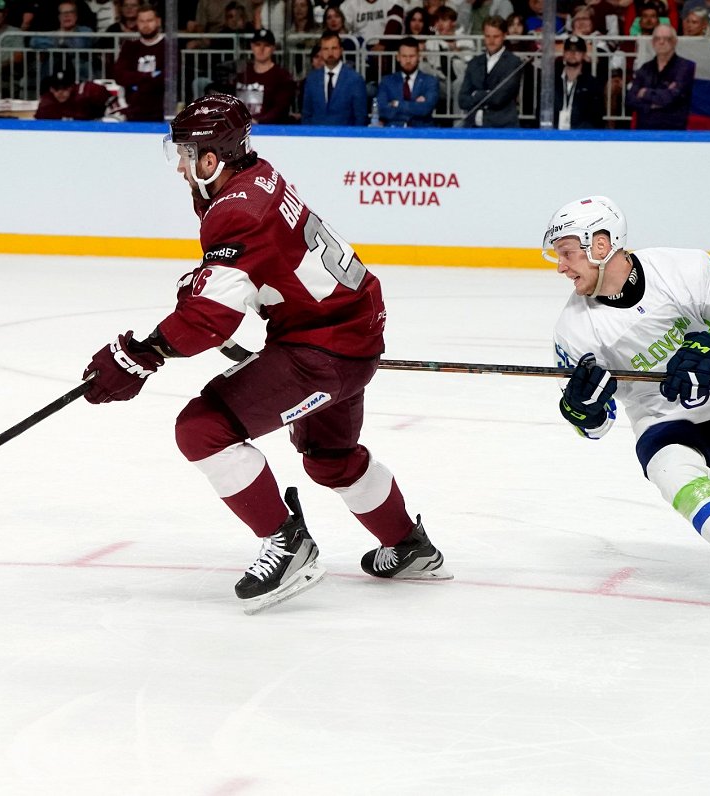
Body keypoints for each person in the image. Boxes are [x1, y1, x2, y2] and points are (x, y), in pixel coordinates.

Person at [81, 94, 452, 614]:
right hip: (353, 331)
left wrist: (145, 353)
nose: (182, 169)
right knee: (330, 458)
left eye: (187, 156)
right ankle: (409, 546)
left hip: (321, 349)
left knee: (202, 429)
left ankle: (289, 544)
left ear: (211, 158)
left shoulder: (236, 210)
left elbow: (210, 318)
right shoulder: (259, 174)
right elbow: (267, 267)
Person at [545, 195, 710, 615]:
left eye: (566, 253)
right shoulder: (573, 329)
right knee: (672, 471)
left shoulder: (683, 267)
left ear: (600, 244)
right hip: (665, 419)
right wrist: (585, 410)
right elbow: (595, 427)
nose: (560, 266)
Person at [458, 16, 522, 128]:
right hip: (472, 127)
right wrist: (487, 94)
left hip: (502, 128)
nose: (491, 41)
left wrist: (476, 94)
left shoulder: (513, 63)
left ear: (504, 35)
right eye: (487, 36)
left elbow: (499, 98)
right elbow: (462, 100)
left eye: (496, 36)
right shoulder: (474, 63)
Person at [625, 24, 693, 130]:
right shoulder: (645, 68)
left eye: (667, 38)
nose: (661, 42)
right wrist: (652, 105)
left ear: (675, 41)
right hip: (644, 130)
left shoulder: (685, 67)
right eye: (657, 38)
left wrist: (644, 93)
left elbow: (671, 98)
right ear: (652, 42)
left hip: (673, 131)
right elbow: (630, 100)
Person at [301, 28, 367, 125]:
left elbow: (360, 117)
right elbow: (306, 115)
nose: (330, 53)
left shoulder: (355, 80)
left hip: (345, 137)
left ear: (341, 50)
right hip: (316, 137)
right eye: (326, 49)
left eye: (334, 48)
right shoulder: (312, 80)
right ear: (321, 51)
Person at [112, 2, 163, 121]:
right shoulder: (129, 46)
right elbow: (119, 75)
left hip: (161, 111)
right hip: (133, 110)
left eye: (150, 20)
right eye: (142, 21)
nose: (146, 25)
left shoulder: (168, 47)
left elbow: (166, 79)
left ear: (158, 21)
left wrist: (135, 80)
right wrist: (150, 75)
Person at [234, 28, 294, 124]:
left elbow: (281, 108)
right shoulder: (241, 72)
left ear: (273, 48)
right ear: (252, 46)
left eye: (266, 45)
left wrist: (258, 121)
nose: (261, 49)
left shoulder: (282, 76)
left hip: (268, 132)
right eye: (258, 45)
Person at [377, 36, 437, 126]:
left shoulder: (430, 82)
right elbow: (383, 110)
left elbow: (425, 109)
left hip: (422, 134)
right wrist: (414, 107)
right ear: (398, 57)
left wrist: (397, 104)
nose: (408, 60)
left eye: (412, 56)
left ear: (419, 57)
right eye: (404, 56)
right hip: (393, 133)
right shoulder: (387, 82)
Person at [552, 34, 604, 129]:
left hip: (582, 136)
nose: (573, 53)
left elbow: (596, 117)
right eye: (569, 50)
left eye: (578, 51)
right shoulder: (552, 82)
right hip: (553, 135)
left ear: (584, 55)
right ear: (563, 54)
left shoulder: (592, 84)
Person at [33, 65, 109, 118]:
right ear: (51, 89)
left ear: (72, 87)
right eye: (56, 88)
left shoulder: (87, 93)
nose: (60, 92)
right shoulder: (47, 104)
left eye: (65, 88)